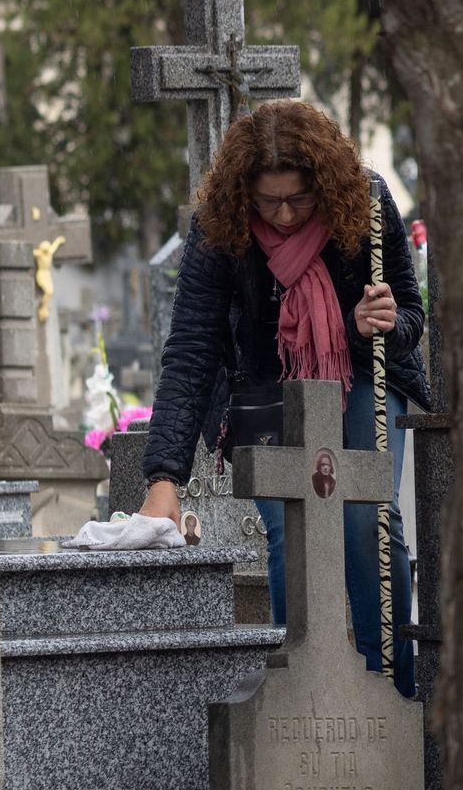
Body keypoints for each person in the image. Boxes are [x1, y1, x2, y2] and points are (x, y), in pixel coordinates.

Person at [139, 100, 430, 696]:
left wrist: (380, 322)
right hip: (260, 385)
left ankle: (391, 689)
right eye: (269, 201)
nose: (285, 213)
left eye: (298, 198)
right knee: (288, 527)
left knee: (366, 517)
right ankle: (297, 692)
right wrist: (164, 474)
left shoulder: (367, 203)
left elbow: (410, 316)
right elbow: (192, 346)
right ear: (244, 191)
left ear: (323, 183)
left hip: (362, 375)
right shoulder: (220, 223)